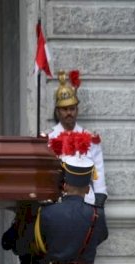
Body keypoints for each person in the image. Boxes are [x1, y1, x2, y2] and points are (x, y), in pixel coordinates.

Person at [45, 70, 107, 208]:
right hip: (58, 200)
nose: (69, 113)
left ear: (77, 110)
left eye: (72, 108)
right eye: (64, 109)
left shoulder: (90, 137)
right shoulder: (49, 138)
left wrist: (101, 193)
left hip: (85, 200)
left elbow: (98, 167)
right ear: (57, 111)